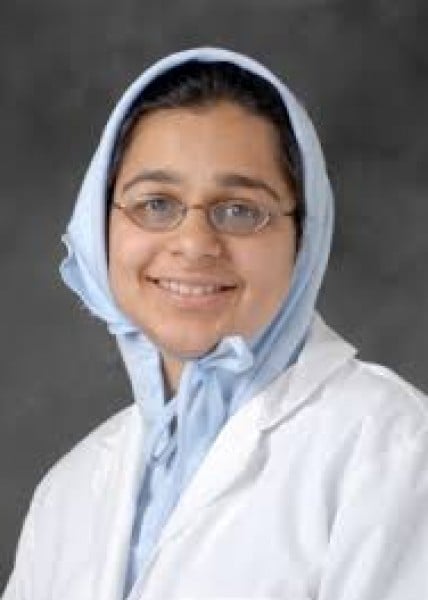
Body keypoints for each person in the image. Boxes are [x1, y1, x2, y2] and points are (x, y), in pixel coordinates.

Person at [3, 47, 428, 600]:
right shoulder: (69, 491)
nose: (195, 244)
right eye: (156, 204)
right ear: (98, 224)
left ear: (304, 237)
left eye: (240, 210)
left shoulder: (395, 449)